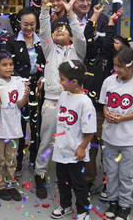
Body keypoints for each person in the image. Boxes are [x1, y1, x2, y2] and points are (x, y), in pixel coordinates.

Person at [34, 0, 86, 199]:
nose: (58, 31)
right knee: (46, 139)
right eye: (57, 30)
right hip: (52, 101)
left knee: (70, 140)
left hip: (73, 102)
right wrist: (45, 6)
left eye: (63, 30)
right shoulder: (49, 49)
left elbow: (81, 35)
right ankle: (40, 174)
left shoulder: (78, 50)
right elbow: (45, 29)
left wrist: (70, 13)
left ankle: (69, 176)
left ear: (71, 36)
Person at [99, 48, 133, 220]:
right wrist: (107, 113)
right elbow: (104, 103)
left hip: (130, 138)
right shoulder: (108, 81)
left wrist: (123, 118)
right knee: (111, 172)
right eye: (115, 65)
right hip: (110, 137)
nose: (117, 69)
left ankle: (124, 206)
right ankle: (113, 202)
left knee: (127, 175)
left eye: (121, 66)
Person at [83, 5, 125, 199]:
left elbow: (109, 44)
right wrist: (96, 15)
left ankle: (109, 183)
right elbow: (88, 36)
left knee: (107, 150)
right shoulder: (94, 57)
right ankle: (89, 181)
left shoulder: (113, 60)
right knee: (90, 150)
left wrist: (110, 23)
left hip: (107, 112)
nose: (111, 43)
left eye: (117, 42)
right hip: (90, 111)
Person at [50, 60, 96, 220]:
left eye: (62, 79)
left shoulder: (85, 103)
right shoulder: (63, 95)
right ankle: (65, 205)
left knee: (79, 184)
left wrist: (82, 148)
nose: (60, 82)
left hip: (76, 153)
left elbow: (90, 131)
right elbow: (60, 120)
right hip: (61, 150)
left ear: (74, 82)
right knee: (63, 181)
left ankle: (83, 210)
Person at [5, 7, 45, 174]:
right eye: (25, 24)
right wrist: (20, 80)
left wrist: (43, 76)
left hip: (39, 87)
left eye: (32, 24)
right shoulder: (12, 41)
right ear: (19, 23)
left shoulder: (42, 41)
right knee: (20, 125)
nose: (29, 28)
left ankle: (34, 160)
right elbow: (8, 64)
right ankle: (18, 161)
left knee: (37, 126)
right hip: (20, 87)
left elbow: (47, 62)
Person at [0, 50, 30, 201]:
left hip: (14, 127)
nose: (8, 68)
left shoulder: (18, 81)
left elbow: (19, 104)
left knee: (11, 158)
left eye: (11, 64)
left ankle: (11, 183)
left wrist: (25, 95)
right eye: (4, 65)